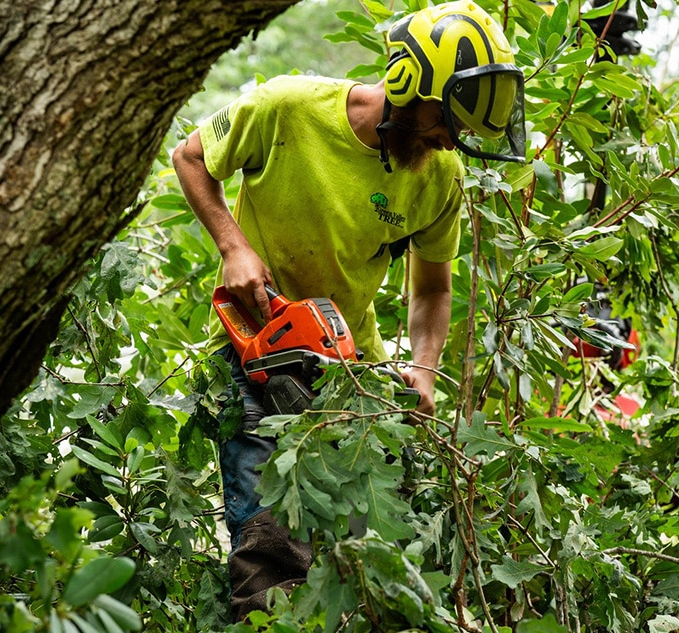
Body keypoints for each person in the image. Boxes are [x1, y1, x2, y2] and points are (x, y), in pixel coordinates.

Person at [172, 0, 525, 620]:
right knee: (270, 559)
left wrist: (423, 368)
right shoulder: (286, 108)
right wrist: (235, 246)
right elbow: (190, 156)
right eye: (448, 120)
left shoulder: (439, 175)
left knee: (359, 564)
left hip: (351, 375)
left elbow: (432, 290)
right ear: (409, 85)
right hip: (256, 356)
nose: (453, 141)